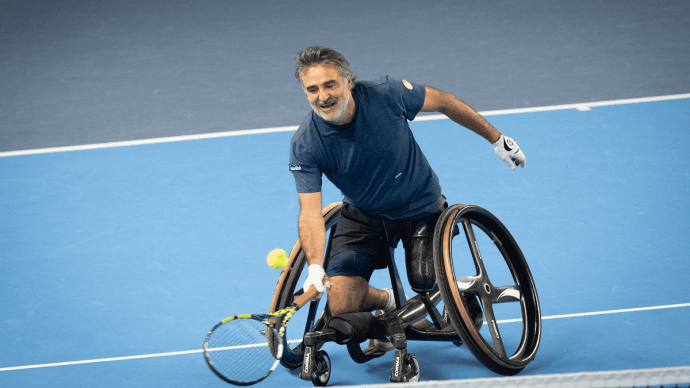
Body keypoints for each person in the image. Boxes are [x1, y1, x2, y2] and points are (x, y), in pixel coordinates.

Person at [288, 46, 525, 350]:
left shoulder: (387, 95)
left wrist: (497, 139)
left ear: (349, 82)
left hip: (420, 208)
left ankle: (458, 292)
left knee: (424, 283)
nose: (322, 96)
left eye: (330, 84)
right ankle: (386, 300)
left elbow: (444, 102)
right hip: (364, 214)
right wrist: (315, 268)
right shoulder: (306, 144)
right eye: (312, 89)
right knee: (342, 307)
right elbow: (310, 212)